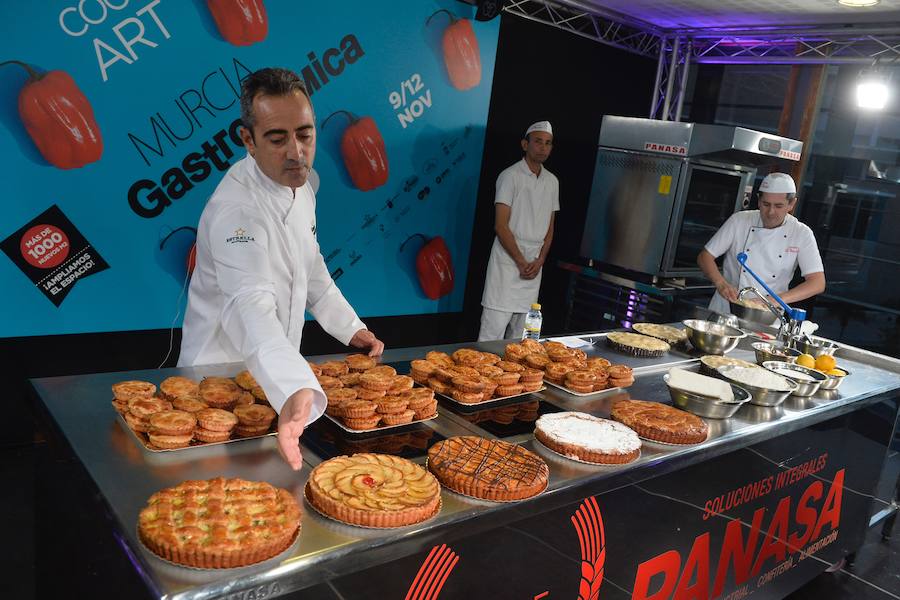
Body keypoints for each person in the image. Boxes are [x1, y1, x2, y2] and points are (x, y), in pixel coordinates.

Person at [178, 67, 384, 470]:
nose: (296, 152)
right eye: (277, 138)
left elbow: (311, 264)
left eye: (304, 134)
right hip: (219, 376)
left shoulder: (302, 186)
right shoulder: (236, 211)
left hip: (273, 372)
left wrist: (348, 326)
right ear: (247, 141)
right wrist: (294, 387)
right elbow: (249, 306)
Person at [697, 172, 825, 317]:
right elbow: (705, 256)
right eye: (766, 204)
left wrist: (776, 300)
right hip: (726, 308)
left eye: (778, 206)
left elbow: (817, 283)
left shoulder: (801, 233)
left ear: (791, 204)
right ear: (758, 200)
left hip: (768, 316)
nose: (770, 212)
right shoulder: (739, 221)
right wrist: (720, 283)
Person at [478, 121, 559, 341]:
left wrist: (540, 259)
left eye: (548, 143)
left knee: (524, 336)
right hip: (508, 262)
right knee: (492, 334)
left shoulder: (552, 182)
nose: (543, 147)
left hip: (534, 263)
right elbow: (501, 225)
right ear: (525, 144)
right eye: (538, 141)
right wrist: (521, 262)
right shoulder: (510, 176)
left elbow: (550, 227)